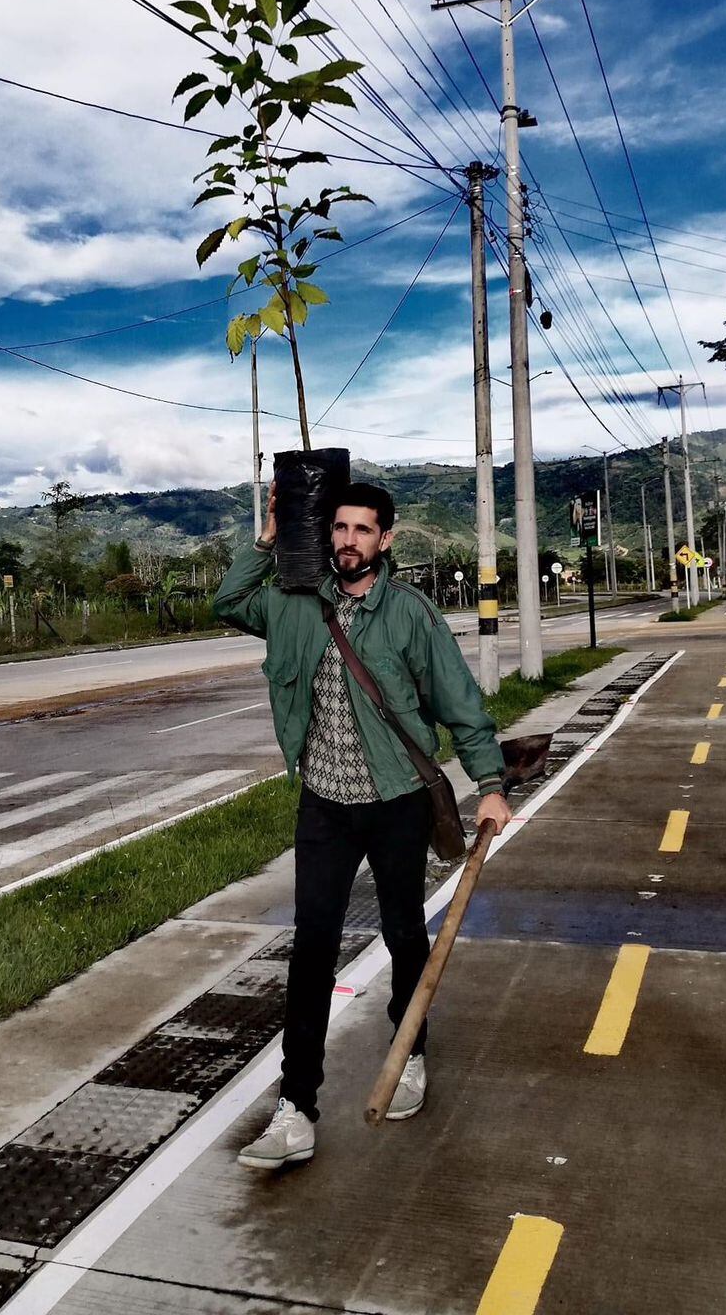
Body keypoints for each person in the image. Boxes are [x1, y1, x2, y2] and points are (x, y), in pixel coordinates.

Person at [214, 481, 509, 1170]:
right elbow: (226, 602)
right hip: (324, 803)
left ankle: (408, 1052)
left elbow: (459, 702)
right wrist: (265, 541)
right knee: (312, 949)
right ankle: (296, 1107)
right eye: (338, 528)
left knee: (405, 933)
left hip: (397, 800)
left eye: (362, 530)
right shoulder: (290, 605)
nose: (348, 540)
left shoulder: (408, 613)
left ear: (385, 540)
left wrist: (490, 784)